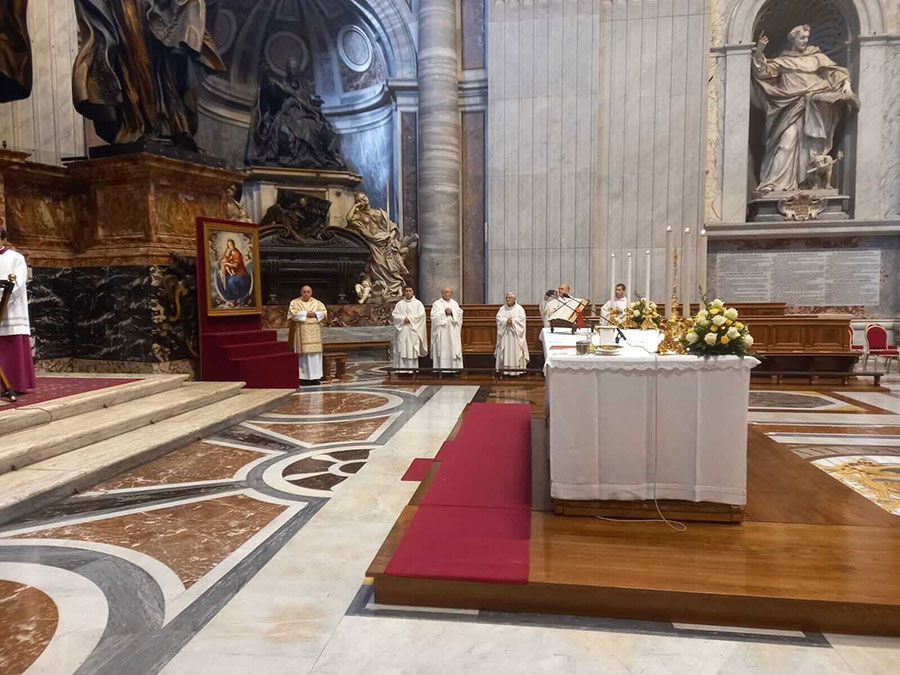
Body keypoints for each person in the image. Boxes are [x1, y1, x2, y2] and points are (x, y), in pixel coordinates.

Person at [751, 24, 859, 193]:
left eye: (807, 38)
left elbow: (836, 72)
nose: (805, 41)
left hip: (814, 107)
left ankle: (809, 185)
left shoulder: (816, 58)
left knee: (812, 149)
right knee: (786, 143)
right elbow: (762, 72)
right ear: (793, 39)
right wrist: (759, 51)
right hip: (789, 107)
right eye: (802, 38)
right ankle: (775, 184)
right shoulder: (782, 61)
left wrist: (846, 84)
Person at [0, 227, 36, 394]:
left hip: (10, 308)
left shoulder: (16, 258)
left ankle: (14, 383)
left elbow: (18, 283)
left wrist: (3, 297)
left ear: (2, 238)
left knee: (10, 343)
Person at [288, 285, 327, 384]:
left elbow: (324, 313)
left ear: (311, 292)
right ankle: (304, 378)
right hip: (302, 332)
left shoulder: (317, 303)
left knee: (315, 355)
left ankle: (315, 377)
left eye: (308, 292)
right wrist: (305, 314)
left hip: (315, 333)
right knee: (304, 356)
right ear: (301, 292)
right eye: (304, 292)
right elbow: (292, 315)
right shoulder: (295, 302)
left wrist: (315, 314)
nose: (306, 294)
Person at [391, 286, 427, 374]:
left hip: (413, 330)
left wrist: (410, 319)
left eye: (410, 291)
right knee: (402, 349)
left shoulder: (418, 304)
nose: (408, 292)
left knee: (411, 350)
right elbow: (394, 315)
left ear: (413, 292)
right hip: (402, 329)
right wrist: (403, 319)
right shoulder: (400, 304)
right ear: (404, 292)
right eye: (406, 291)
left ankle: (412, 370)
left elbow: (421, 316)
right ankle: (401, 370)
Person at [495, 292, 529, 375]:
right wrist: (505, 321)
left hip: (515, 336)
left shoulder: (520, 309)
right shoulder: (502, 309)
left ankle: (517, 371)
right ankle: (504, 370)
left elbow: (521, 320)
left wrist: (513, 321)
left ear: (514, 299)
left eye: (509, 298)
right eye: (507, 298)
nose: (507, 299)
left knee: (516, 352)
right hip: (505, 335)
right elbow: (498, 318)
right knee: (505, 350)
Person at [430, 287, 463, 372]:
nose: (448, 294)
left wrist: (452, 312)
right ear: (442, 293)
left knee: (453, 348)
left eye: (449, 292)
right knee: (442, 349)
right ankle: (441, 370)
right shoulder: (437, 304)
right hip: (442, 332)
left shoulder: (454, 303)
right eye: (446, 292)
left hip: (452, 331)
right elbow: (433, 317)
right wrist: (444, 312)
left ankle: (454, 370)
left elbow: (459, 314)